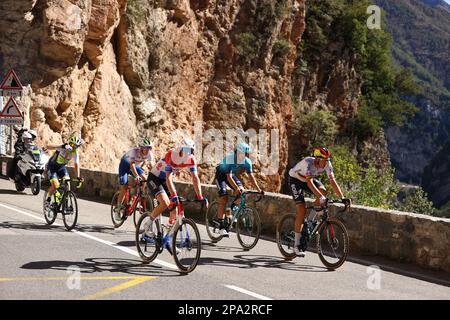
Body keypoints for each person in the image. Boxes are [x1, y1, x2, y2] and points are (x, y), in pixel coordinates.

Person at [143, 138, 206, 254]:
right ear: (181, 149)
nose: (188, 153)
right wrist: (174, 195)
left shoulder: (191, 159)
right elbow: (167, 177)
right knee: (165, 203)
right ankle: (148, 224)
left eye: (191, 151)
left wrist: (200, 196)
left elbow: (195, 178)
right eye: (186, 150)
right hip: (155, 178)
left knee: (175, 211)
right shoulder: (171, 155)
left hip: (166, 180)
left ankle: (168, 238)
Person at [288, 147, 350, 257]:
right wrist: (320, 197)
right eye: (323, 160)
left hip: (308, 178)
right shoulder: (308, 162)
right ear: (316, 158)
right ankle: (296, 245)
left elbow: (332, 181)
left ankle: (310, 219)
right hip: (295, 180)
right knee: (301, 208)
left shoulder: (327, 164)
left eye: (327, 160)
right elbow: (309, 183)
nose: (325, 163)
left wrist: (342, 197)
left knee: (323, 191)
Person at [213, 142, 263, 237]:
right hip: (221, 175)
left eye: (245, 154)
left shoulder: (247, 162)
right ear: (237, 152)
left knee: (242, 192)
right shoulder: (231, 159)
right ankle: (221, 226)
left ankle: (229, 211)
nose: (243, 156)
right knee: (224, 196)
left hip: (231, 175)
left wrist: (259, 190)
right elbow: (228, 177)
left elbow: (252, 178)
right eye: (242, 154)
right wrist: (236, 188)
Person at [114, 137, 154, 220]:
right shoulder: (134, 152)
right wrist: (136, 176)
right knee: (124, 187)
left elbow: (151, 166)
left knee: (145, 178)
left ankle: (140, 194)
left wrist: (153, 174)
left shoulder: (149, 154)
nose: (148, 150)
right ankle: (118, 208)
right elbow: (131, 165)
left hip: (135, 166)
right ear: (141, 147)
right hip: (125, 165)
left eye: (149, 148)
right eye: (146, 148)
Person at [43, 133, 84, 208]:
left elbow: (76, 165)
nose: (73, 147)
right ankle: (48, 199)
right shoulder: (63, 147)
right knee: (55, 185)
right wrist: (61, 145)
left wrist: (78, 177)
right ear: (70, 143)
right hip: (52, 167)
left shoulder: (75, 152)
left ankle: (65, 204)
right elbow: (48, 146)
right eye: (72, 145)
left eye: (76, 146)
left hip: (61, 168)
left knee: (67, 183)